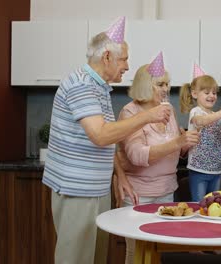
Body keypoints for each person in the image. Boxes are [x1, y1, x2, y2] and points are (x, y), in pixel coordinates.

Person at [42, 17, 170, 264]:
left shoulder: (98, 87)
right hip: (78, 188)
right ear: (107, 57)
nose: (127, 66)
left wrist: (119, 175)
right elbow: (100, 135)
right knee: (76, 259)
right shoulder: (82, 86)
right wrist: (147, 117)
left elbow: (107, 136)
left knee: (95, 257)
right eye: (124, 59)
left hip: (94, 188)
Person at [116, 54, 200, 264]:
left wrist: (188, 143)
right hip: (138, 194)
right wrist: (177, 143)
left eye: (168, 84)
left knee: (157, 250)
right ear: (145, 85)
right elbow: (137, 155)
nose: (166, 89)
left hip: (166, 191)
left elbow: (175, 150)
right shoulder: (129, 112)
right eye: (160, 84)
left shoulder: (168, 109)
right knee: (136, 253)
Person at [179, 66, 221, 202]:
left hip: (215, 171)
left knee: (214, 205)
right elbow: (200, 122)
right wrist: (220, 114)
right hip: (199, 170)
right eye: (207, 92)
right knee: (200, 204)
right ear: (195, 94)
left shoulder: (216, 117)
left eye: (214, 93)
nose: (212, 96)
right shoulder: (196, 112)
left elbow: (216, 142)